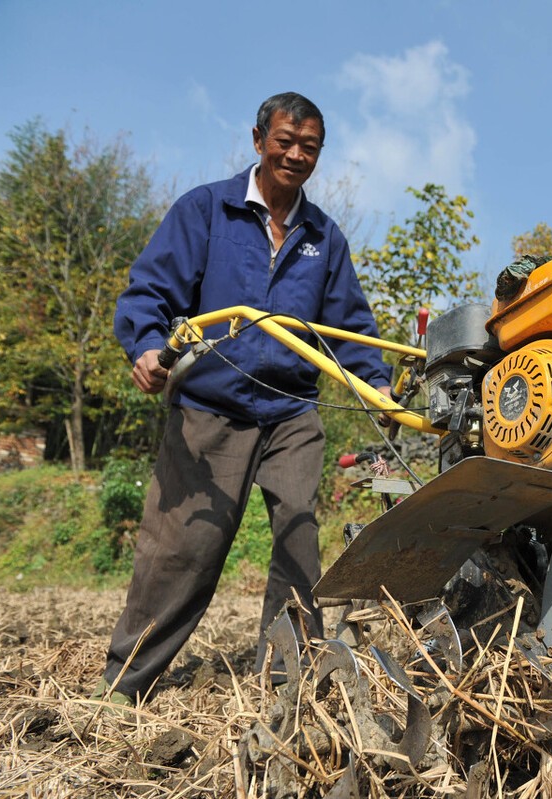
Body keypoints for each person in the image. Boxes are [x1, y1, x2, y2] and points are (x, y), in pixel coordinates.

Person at [95, 92, 392, 704]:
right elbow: (150, 290)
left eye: (309, 147)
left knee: (299, 541)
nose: (296, 154)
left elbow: (351, 330)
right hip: (210, 406)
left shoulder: (323, 238)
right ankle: (124, 683)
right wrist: (147, 349)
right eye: (285, 140)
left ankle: (288, 685)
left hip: (291, 411)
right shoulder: (207, 210)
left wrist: (381, 388)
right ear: (258, 140)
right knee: (183, 549)